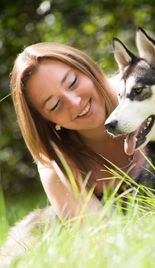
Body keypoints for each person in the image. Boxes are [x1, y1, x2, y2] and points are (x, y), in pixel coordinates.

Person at [10, 42, 145, 220]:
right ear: (47, 121)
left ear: (88, 70)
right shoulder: (57, 165)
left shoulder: (147, 91)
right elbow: (102, 236)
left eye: (72, 82)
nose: (74, 102)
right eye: (55, 105)